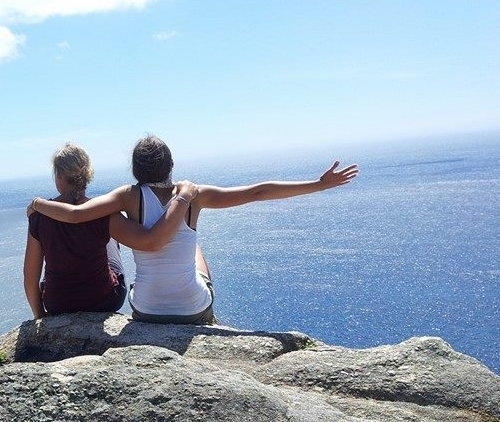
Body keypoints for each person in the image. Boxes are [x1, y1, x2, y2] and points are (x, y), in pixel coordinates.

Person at [28, 135, 358, 324]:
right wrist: (319, 184)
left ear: (135, 170)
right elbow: (258, 191)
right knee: (195, 246)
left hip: (146, 309)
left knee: (153, 254)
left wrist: (38, 204)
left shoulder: (127, 197)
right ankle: (210, 322)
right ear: (171, 166)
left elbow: (75, 214)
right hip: (192, 308)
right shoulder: (194, 194)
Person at [24, 142, 197, 319]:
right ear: (87, 175)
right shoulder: (103, 212)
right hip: (103, 300)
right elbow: (148, 241)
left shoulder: (39, 216)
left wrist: (40, 316)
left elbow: (30, 280)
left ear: (59, 176)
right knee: (110, 239)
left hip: (58, 304)